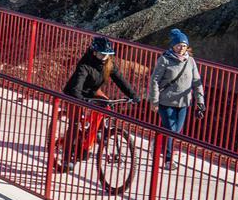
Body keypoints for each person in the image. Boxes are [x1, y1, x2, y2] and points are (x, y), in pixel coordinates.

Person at [59, 36, 140, 171]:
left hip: (92, 91)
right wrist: (81, 99)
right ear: (94, 51)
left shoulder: (109, 64)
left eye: (108, 54)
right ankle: (67, 158)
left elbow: (120, 80)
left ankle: (95, 130)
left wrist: (133, 95)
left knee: (107, 105)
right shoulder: (85, 65)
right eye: (102, 54)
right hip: (74, 94)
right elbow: (77, 85)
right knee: (74, 125)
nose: (104, 57)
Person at [147, 28, 206, 170]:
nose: (181, 48)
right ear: (172, 46)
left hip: (184, 102)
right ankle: (168, 160)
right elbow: (154, 80)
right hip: (165, 101)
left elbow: (197, 81)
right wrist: (154, 101)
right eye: (178, 45)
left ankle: (157, 141)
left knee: (176, 131)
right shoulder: (165, 60)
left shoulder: (190, 61)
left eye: (184, 45)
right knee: (171, 131)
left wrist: (200, 101)